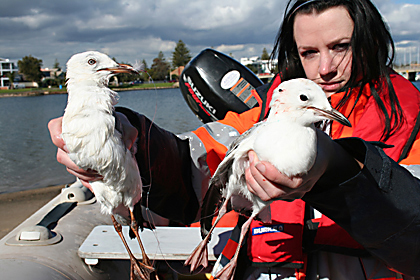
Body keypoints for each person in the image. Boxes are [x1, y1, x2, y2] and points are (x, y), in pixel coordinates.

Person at [48, 0, 420, 279]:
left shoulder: (414, 121)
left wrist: (340, 166)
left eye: (341, 46)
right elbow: (191, 166)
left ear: (370, 42)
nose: (325, 68)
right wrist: (127, 134)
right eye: (309, 52)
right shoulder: (258, 116)